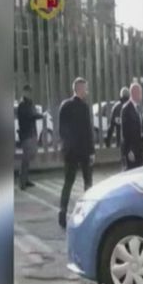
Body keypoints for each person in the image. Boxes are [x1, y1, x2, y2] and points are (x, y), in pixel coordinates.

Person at [58, 77, 94, 229]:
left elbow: (61, 130)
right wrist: (91, 151)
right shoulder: (84, 107)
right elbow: (88, 131)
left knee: (68, 182)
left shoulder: (64, 106)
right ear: (80, 89)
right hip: (83, 150)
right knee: (88, 182)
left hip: (70, 151)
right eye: (85, 88)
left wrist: (67, 146)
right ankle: (88, 213)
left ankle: (62, 211)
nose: (86, 91)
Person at [17, 84, 43, 190]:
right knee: (26, 158)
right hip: (26, 134)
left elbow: (33, 114)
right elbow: (30, 116)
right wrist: (41, 115)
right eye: (27, 91)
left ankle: (26, 179)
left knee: (30, 156)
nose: (29, 93)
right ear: (24, 92)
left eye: (30, 91)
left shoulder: (30, 103)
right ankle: (22, 182)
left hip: (31, 133)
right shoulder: (22, 105)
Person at [121, 82, 143, 170]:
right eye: (140, 93)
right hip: (132, 150)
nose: (141, 96)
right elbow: (125, 132)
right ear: (135, 93)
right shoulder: (126, 109)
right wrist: (129, 150)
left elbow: (141, 128)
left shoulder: (138, 108)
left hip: (140, 149)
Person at [105, 86, 130, 168]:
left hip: (121, 142)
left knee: (124, 163)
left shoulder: (116, 108)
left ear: (120, 95)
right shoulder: (132, 106)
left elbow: (111, 126)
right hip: (132, 142)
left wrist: (108, 141)